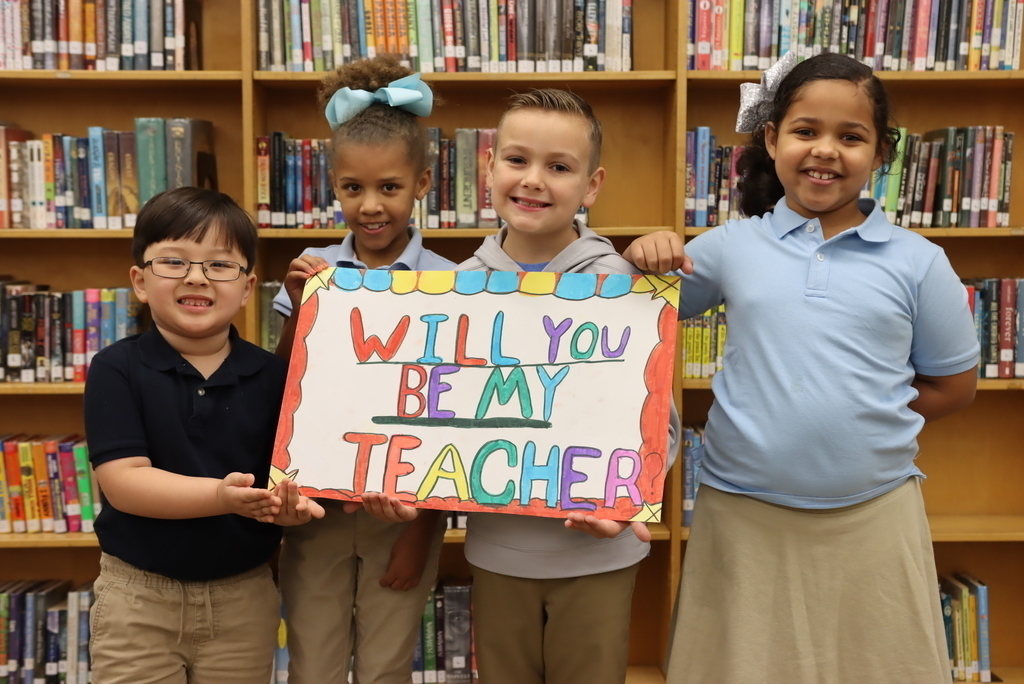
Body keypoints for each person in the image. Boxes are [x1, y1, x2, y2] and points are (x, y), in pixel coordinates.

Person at [624, 52, 979, 683]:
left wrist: (862, 408)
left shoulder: (920, 262)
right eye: (806, 131)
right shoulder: (733, 247)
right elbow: (624, 320)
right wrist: (643, 258)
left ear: (881, 152)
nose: (826, 151)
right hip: (744, 517)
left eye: (851, 136)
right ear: (771, 138)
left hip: (874, 517)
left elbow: (953, 387)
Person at [364, 88, 679, 684]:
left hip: (600, 551)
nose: (534, 180)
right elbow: (434, 419)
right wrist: (406, 484)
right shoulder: (456, 289)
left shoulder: (623, 282)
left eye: (558, 167)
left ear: (591, 185)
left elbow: (656, 417)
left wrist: (626, 498)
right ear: (489, 169)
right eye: (517, 160)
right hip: (497, 551)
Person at [84, 186, 324, 684]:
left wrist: (288, 508)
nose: (197, 276)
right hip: (137, 598)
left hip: (245, 597)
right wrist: (222, 496)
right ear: (140, 282)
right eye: (174, 261)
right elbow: (124, 484)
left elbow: (283, 480)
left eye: (219, 265)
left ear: (247, 286)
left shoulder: (274, 378)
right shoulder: (116, 369)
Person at [273, 55, 453, 684]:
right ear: (334, 188)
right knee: (312, 663)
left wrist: (419, 533)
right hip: (315, 511)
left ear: (423, 183)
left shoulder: (452, 286)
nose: (371, 206)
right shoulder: (312, 269)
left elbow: (449, 423)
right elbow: (282, 389)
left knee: (384, 666)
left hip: (401, 514)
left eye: (390, 188)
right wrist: (298, 311)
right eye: (353, 188)